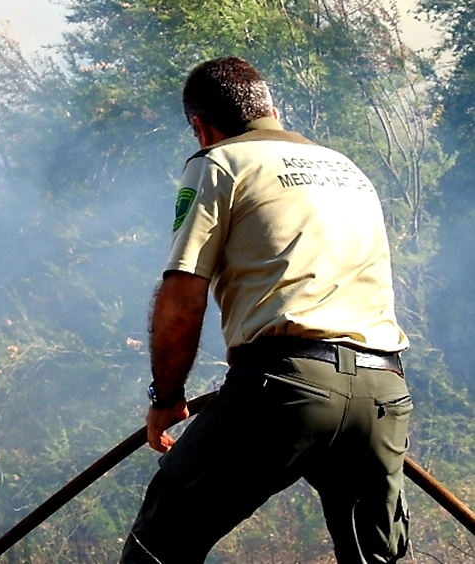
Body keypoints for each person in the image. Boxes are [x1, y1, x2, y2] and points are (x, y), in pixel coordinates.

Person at [121, 56, 411, 563]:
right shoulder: (347, 169)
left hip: (286, 388)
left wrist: (165, 395)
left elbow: (182, 298)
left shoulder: (219, 163)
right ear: (272, 110)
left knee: (159, 544)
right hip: (382, 391)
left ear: (200, 127)